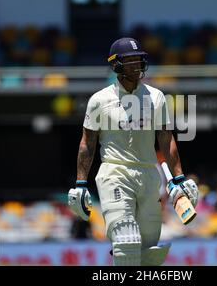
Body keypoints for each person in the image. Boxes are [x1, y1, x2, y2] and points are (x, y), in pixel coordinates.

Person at [68, 37, 198, 266]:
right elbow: (87, 144)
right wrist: (80, 184)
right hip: (115, 173)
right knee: (126, 240)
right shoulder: (99, 100)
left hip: (149, 175)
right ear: (116, 65)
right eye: (130, 61)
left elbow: (166, 139)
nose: (137, 65)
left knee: (149, 250)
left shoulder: (156, 97)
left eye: (139, 59)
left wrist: (179, 179)